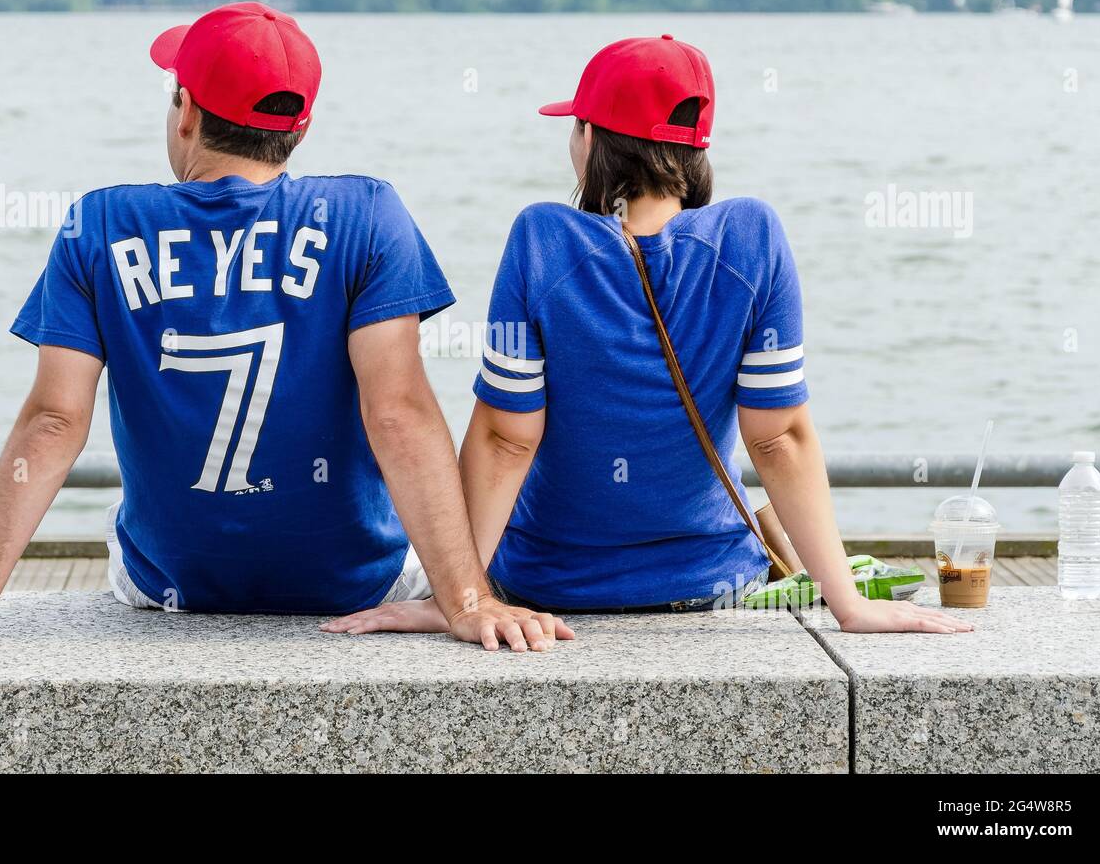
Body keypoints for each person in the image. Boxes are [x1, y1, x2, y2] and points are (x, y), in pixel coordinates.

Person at [0, 3, 572, 653]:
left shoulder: (96, 224)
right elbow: (400, 416)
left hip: (169, 585)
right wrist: (469, 599)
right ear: (301, 126)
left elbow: (54, 422)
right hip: (349, 584)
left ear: (185, 110)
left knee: (124, 530)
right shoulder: (367, 215)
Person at [325, 35, 973, 636]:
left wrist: (459, 597)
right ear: (696, 149)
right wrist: (849, 604)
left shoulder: (543, 239)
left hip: (551, 582)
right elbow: (778, 437)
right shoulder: (752, 238)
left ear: (591, 138)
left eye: (575, 126)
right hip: (710, 582)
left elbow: (504, 438)